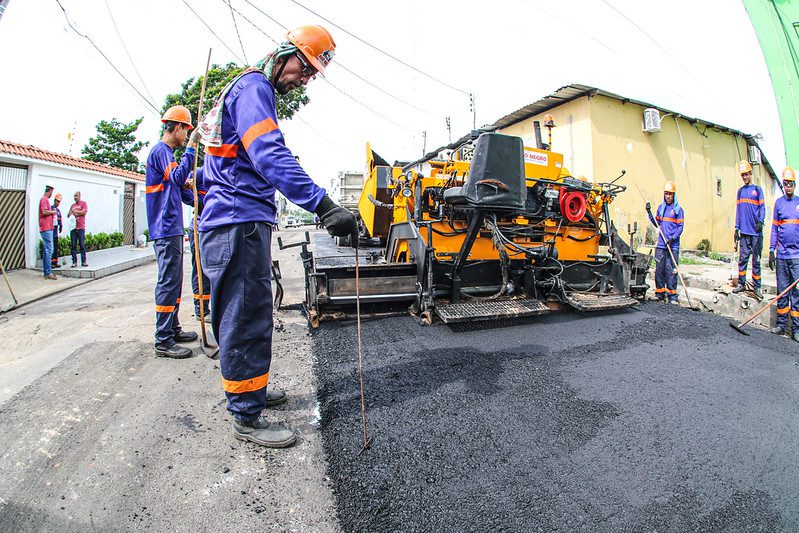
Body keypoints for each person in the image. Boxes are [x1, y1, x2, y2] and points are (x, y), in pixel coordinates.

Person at [197, 25, 357, 448]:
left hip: (237, 220)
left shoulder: (245, 89)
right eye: (304, 68)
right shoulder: (253, 88)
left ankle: (252, 390)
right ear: (284, 53)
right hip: (236, 221)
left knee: (252, 312)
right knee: (245, 316)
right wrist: (323, 204)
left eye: (311, 74)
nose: (305, 79)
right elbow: (269, 154)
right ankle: (245, 417)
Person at [145, 105, 201, 359]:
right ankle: (163, 340)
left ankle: (172, 328)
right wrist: (191, 147)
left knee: (174, 281)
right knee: (168, 282)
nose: (185, 135)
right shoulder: (161, 152)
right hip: (165, 228)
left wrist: (202, 197)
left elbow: (183, 191)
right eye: (185, 131)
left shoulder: (167, 156)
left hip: (172, 228)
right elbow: (178, 178)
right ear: (177, 128)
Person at [768, 167, 799, 340]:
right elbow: (774, 229)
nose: (788, 186)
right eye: (786, 183)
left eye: (791, 183)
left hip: (796, 257)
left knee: (796, 293)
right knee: (782, 291)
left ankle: (796, 329)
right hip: (782, 256)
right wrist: (772, 250)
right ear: (783, 185)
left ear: (794, 185)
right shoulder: (779, 203)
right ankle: (781, 325)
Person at [180, 167, 211, 322]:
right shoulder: (200, 173)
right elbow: (182, 187)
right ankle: (202, 310)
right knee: (201, 271)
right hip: (199, 229)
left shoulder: (227, 171)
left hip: (215, 229)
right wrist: (197, 201)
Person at [646, 181, 684, 304]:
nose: (668, 196)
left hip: (673, 246)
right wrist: (649, 212)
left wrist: (673, 238)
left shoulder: (678, 210)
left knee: (671, 270)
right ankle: (660, 294)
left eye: (670, 194)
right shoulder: (661, 209)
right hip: (661, 245)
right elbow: (656, 224)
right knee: (659, 269)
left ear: (674, 195)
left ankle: (672, 296)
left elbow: (680, 227)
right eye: (666, 194)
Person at [733, 160, 765, 299]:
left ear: (751, 174)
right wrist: (736, 228)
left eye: (746, 174)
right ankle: (741, 284)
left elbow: (762, 208)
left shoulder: (757, 190)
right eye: (743, 175)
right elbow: (739, 211)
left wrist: (760, 221)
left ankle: (757, 287)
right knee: (743, 259)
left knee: (756, 261)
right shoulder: (740, 192)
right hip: (745, 233)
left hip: (756, 233)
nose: (745, 177)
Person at [39, 185, 57, 280]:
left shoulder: (44, 200)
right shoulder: (44, 200)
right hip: (46, 228)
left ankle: (47, 271)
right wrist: (53, 212)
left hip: (47, 228)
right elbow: (44, 212)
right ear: (50, 190)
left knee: (47, 250)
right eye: (52, 192)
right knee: (49, 250)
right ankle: (48, 272)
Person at [69, 191, 89, 267]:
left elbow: (84, 212)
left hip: (81, 227)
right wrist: (71, 213)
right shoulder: (72, 205)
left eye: (76, 196)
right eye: (74, 196)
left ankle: (83, 261)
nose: (75, 197)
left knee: (82, 245)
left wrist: (76, 212)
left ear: (79, 196)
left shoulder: (83, 203)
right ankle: (74, 261)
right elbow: (69, 214)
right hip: (73, 228)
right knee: (73, 245)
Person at [51, 193, 63, 270]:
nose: (58, 203)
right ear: (55, 200)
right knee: (51, 248)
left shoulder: (58, 211)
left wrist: (61, 226)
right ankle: (51, 262)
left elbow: (59, 219)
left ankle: (55, 262)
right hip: (51, 232)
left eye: (59, 202)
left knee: (56, 248)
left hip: (55, 233)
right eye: (57, 201)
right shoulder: (51, 209)